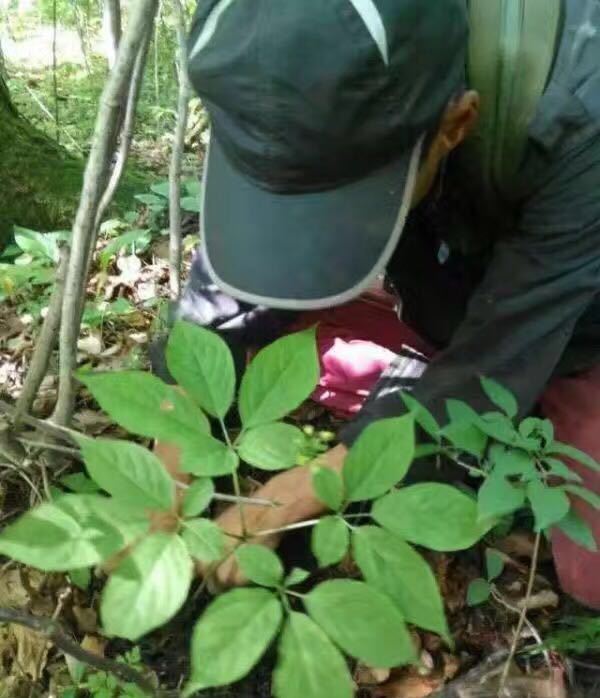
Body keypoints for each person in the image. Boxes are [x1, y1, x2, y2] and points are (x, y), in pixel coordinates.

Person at [169, 0, 600, 605]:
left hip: (568, 317)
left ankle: (497, 415)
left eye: (348, 206)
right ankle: (426, 395)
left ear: (457, 124)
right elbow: (227, 291)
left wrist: (301, 492)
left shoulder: (579, 114)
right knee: (280, 353)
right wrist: (168, 448)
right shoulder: (273, 60)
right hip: (440, 284)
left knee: (593, 575)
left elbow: (507, 348)